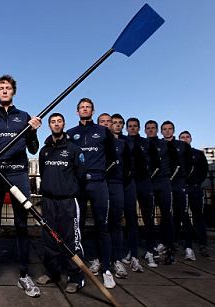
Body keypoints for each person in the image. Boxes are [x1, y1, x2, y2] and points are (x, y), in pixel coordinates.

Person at [0, 75, 41, 297]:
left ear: (14, 92)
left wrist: (32, 131)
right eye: (1, 88)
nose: (4, 91)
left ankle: (24, 274)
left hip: (18, 173)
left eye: (8, 88)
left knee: (22, 224)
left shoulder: (24, 117)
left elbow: (33, 149)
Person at [67, 98, 116, 289]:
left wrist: (101, 174)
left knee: (101, 226)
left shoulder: (103, 131)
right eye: (81, 107)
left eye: (88, 107)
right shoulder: (71, 134)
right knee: (77, 229)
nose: (85, 109)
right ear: (77, 111)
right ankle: (78, 269)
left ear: (93, 111)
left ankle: (105, 268)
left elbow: (113, 159)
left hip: (98, 184)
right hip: (79, 186)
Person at [36, 112, 85, 293]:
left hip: (68, 202)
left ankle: (76, 277)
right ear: (49, 125)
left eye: (59, 121)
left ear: (64, 124)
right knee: (49, 239)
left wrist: (67, 189)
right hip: (49, 201)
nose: (56, 124)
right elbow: (43, 172)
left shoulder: (74, 149)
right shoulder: (44, 150)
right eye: (53, 122)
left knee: (72, 241)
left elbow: (80, 176)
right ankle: (52, 272)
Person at [97, 113, 131, 279]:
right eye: (101, 122)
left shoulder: (121, 144)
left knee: (115, 223)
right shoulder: (94, 142)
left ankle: (116, 259)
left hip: (115, 184)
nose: (105, 124)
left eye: (108, 122)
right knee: (100, 224)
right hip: (98, 184)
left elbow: (129, 167)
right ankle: (99, 258)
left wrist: (120, 180)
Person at [112, 115, 144, 273]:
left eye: (119, 123)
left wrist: (131, 174)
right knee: (115, 220)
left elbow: (138, 161)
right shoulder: (107, 141)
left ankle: (134, 255)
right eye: (114, 123)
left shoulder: (129, 142)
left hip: (128, 182)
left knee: (132, 219)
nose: (117, 125)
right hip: (113, 182)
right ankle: (116, 254)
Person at [125, 117, 158, 268]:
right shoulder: (124, 142)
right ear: (127, 128)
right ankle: (131, 251)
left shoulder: (147, 143)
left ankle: (150, 251)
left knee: (148, 217)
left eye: (135, 126)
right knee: (130, 218)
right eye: (130, 126)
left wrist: (148, 177)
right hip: (130, 182)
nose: (132, 128)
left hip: (144, 182)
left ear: (138, 128)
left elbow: (156, 163)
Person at [161, 121, 195, 260]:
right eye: (164, 129)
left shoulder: (182, 145)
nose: (167, 131)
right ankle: (168, 242)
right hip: (165, 182)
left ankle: (188, 246)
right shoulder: (159, 145)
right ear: (161, 131)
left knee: (183, 214)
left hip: (179, 182)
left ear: (173, 131)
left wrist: (181, 177)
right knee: (166, 214)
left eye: (169, 129)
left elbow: (189, 165)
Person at [145, 120, 178, 264]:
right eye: (148, 128)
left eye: (153, 128)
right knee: (149, 216)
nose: (151, 130)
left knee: (167, 215)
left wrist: (168, 179)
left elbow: (175, 164)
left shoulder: (165, 144)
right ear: (145, 130)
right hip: (149, 183)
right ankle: (151, 247)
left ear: (157, 130)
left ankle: (169, 247)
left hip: (163, 182)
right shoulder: (143, 144)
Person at [179, 130, 209, 257]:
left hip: (195, 188)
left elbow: (204, 170)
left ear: (190, 139)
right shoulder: (177, 154)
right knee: (184, 217)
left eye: (187, 137)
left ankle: (203, 244)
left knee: (199, 217)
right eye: (182, 137)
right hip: (183, 188)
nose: (185, 139)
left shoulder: (198, 154)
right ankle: (188, 245)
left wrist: (197, 182)